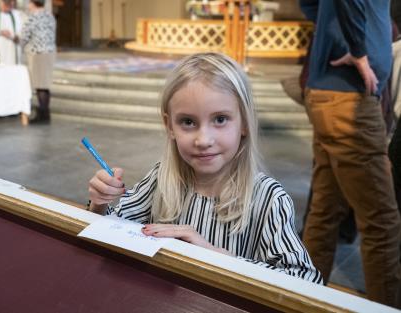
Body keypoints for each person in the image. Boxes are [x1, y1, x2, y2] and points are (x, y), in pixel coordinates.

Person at [87, 52, 323, 283]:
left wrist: (212, 255)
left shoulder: (269, 199)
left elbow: (305, 280)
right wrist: (100, 202)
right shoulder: (162, 179)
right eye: (188, 122)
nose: (204, 140)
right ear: (170, 126)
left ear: (244, 123)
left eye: (220, 119)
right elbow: (115, 227)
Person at [300, 0, 401, 306]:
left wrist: (337, 36)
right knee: (382, 222)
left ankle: (302, 300)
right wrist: (357, 50)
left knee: (324, 214)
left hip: (328, 92)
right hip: (349, 99)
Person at [20, 0, 56, 124]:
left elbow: (24, 37)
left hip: (38, 54)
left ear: (32, 3)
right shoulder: (49, 16)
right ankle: (45, 112)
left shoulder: (33, 18)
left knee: (40, 85)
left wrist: (19, 45)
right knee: (45, 84)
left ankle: (43, 114)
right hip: (50, 53)